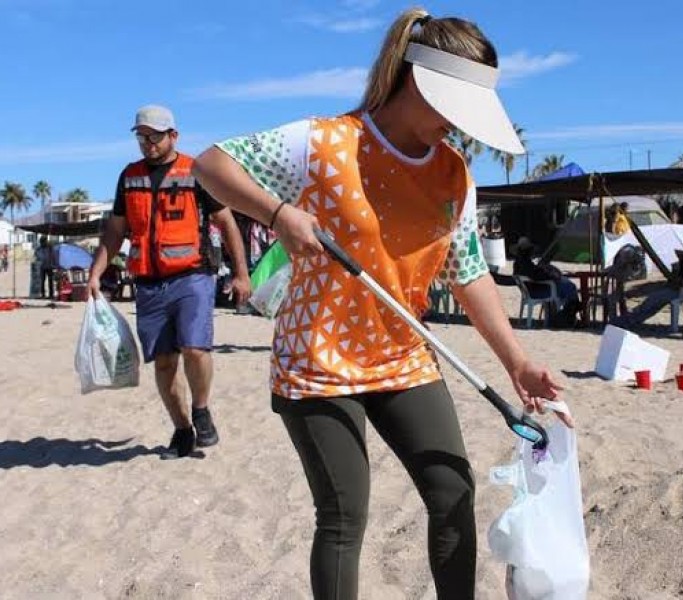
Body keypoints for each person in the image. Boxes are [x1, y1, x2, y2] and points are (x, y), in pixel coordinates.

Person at [192, 9, 571, 599]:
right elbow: (210, 164)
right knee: (344, 516)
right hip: (317, 364)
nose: (461, 130)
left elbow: (467, 273)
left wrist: (517, 363)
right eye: (457, 111)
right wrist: (277, 212)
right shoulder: (323, 142)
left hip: (401, 357)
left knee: (453, 492)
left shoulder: (453, 174)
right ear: (420, 84)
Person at [87, 105, 251, 458]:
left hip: (193, 276)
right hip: (148, 282)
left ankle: (202, 409)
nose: (147, 144)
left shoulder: (196, 171)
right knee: (164, 362)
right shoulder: (128, 177)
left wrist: (241, 273)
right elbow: (115, 231)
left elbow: (227, 223)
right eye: (141, 137)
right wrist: (96, 271)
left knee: (195, 348)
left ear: (173, 135)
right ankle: (182, 431)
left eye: (154, 137)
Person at [511, 236, 580, 327]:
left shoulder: (518, 263)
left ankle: (563, 316)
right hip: (537, 291)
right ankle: (568, 317)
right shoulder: (526, 264)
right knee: (570, 287)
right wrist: (552, 272)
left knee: (565, 285)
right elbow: (539, 276)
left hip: (530, 290)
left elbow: (535, 274)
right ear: (528, 251)